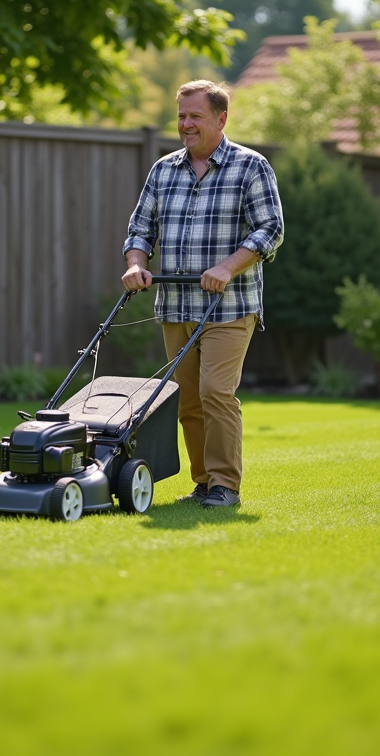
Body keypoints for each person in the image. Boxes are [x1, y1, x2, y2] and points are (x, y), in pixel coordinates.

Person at [121, 79, 284, 508]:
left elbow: (271, 229)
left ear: (221, 118)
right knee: (187, 399)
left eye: (195, 116)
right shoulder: (163, 170)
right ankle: (203, 482)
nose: (185, 124)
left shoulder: (250, 167)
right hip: (176, 305)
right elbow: (141, 228)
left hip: (231, 305)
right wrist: (136, 264)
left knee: (216, 391)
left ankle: (226, 485)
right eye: (181, 116)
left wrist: (227, 267)